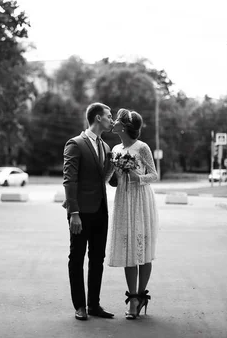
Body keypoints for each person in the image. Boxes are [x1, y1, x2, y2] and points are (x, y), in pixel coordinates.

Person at [62, 102, 116, 321]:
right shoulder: (75, 144)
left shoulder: (106, 147)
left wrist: (121, 169)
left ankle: (94, 304)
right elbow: (69, 179)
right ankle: (80, 306)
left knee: (97, 258)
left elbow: (109, 181)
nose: (112, 120)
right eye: (109, 116)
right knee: (77, 257)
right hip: (81, 213)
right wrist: (73, 212)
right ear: (97, 118)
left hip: (101, 211)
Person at [107, 108, 159, 320]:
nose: (114, 122)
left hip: (140, 199)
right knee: (129, 249)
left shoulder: (142, 147)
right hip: (123, 200)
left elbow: (154, 174)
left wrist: (139, 178)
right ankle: (134, 299)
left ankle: (140, 294)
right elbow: (111, 177)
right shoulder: (115, 148)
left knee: (142, 248)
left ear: (124, 127)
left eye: (117, 120)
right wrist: (112, 176)